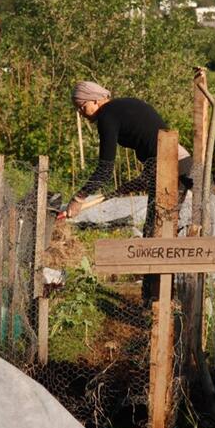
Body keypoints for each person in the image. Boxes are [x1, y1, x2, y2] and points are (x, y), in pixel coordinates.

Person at [66, 81, 192, 300]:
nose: (80, 112)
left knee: (156, 231)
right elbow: (151, 143)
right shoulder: (123, 106)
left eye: (81, 106)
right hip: (180, 160)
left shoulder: (107, 116)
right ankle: (162, 298)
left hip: (170, 165)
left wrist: (78, 198)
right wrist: (132, 184)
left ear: (95, 100)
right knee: (164, 228)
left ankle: (155, 299)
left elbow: (105, 169)